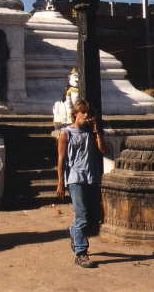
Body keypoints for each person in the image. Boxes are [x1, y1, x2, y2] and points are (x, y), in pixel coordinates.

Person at [56, 99, 105, 268]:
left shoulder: (90, 132)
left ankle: (74, 233)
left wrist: (97, 131)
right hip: (75, 179)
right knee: (82, 216)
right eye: (83, 112)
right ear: (75, 114)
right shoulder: (66, 133)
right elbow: (61, 159)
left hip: (91, 177)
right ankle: (81, 253)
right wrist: (61, 182)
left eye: (88, 113)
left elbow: (103, 150)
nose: (86, 116)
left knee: (93, 217)